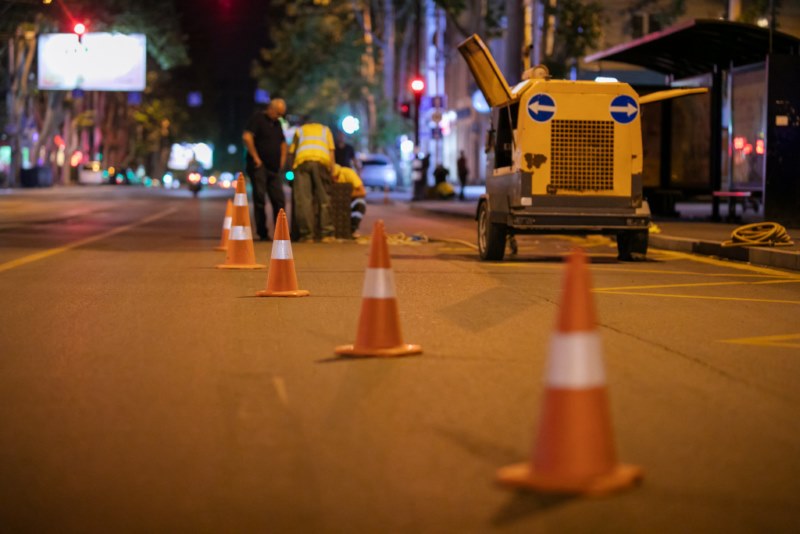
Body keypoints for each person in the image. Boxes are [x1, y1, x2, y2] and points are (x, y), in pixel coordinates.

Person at [242, 98, 287, 241]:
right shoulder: (258, 118)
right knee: (260, 198)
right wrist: (256, 158)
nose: (279, 116)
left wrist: (282, 161)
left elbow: (283, 143)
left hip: (274, 168)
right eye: (278, 113)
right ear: (271, 109)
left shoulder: (277, 123)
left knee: (279, 200)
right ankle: (262, 232)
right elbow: (247, 137)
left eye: (281, 114)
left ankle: (281, 232)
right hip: (259, 167)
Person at [290, 118, 336, 243]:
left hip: (302, 163)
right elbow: (331, 153)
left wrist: (291, 171)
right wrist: (332, 172)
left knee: (304, 200)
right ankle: (326, 234)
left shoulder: (300, 131)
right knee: (324, 198)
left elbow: (292, 152)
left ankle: (307, 235)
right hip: (321, 163)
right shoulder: (325, 130)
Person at [332, 163, 367, 237]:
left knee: (360, 203)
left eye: (336, 177)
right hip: (332, 203)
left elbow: (362, 192)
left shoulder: (348, 173)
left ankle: (352, 229)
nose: (335, 180)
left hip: (349, 201)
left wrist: (344, 195)